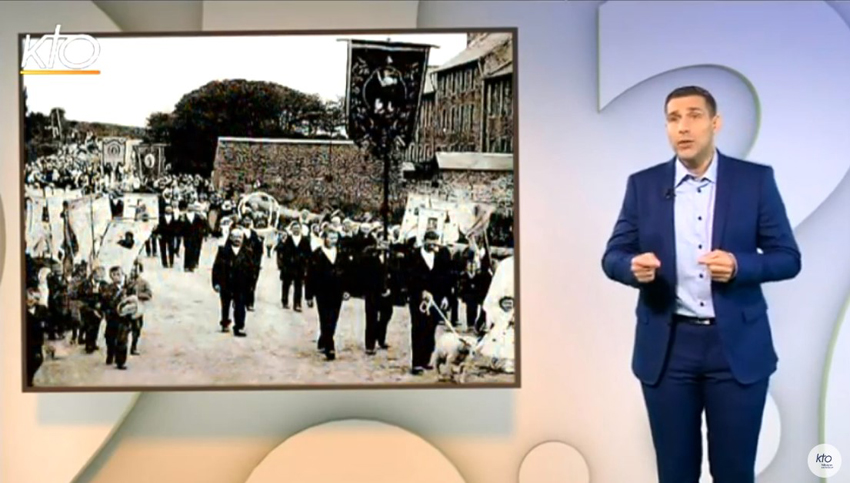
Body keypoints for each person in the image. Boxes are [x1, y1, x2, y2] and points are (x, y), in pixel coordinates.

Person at [601, 86, 801, 482]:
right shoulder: (643, 185)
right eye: (673, 118)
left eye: (693, 115)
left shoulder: (755, 181)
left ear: (715, 123)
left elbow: (788, 258)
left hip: (736, 352)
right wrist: (631, 268)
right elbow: (613, 255)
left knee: (734, 472)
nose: (683, 127)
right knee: (675, 474)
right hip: (668, 348)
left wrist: (739, 266)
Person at [405, 230, 452, 375]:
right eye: (430, 241)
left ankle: (425, 359)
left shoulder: (441, 256)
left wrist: (445, 296)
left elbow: (446, 278)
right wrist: (420, 291)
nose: (433, 244)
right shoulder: (413, 256)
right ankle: (416, 363)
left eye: (435, 241)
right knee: (418, 328)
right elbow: (408, 277)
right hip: (418, 300)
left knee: (430, 329)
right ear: (424, 241)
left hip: (436, 300)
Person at [305, 228, 350, 361]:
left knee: (334, 318)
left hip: (337, 291)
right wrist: (309, 295)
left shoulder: (341, 253)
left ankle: (324, 338)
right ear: (324, 238)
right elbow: (310, 276)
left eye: (335, 238)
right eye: (330, 238)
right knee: (325, 317)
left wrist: (347, 290)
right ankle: (330, 347)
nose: (333, 241)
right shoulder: (316, 254)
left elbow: (347, 273)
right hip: (321, 291)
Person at [212, 228, 256, 336]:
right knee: (225, 305)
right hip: (226, 283)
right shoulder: (223, 251)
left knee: (240, 305)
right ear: (230, 238)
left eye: (240, 237)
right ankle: (225, 323)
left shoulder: (248, 252)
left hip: (241, 284)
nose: (237, 240)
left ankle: (239, 327)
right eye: (235, 237)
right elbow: (216, 268)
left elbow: (252, 270)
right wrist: (216, 283)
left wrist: (251, 285)